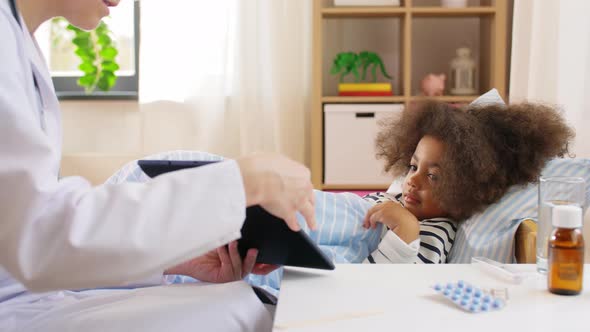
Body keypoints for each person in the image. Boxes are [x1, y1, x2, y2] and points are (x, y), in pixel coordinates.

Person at [0, 0, 316, 330]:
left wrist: (174, 261)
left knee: (241, 301)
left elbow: (31, 243)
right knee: (236, 315)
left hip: (32, 298)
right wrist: (243, 182)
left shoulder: (18, 40)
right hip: (18, 308)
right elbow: (42, 235)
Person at [361, 100, 574, 264]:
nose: (413, 180)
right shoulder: (392, 197)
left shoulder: (437, 231)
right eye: (413, 167)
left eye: (433, 176)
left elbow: (399, 284)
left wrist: (406, 229)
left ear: (463, 189)